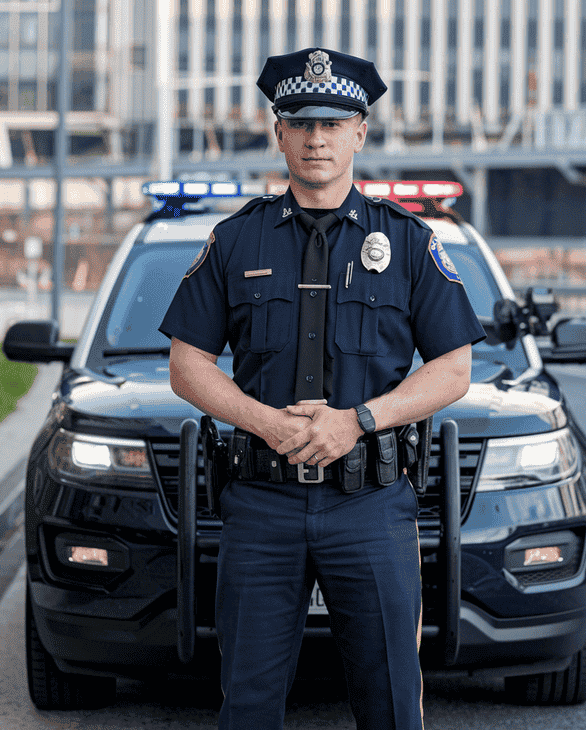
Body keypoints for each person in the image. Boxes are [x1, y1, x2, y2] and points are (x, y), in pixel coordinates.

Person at [159, 47, 485, 730]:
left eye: (333, 124)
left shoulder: (407, 241)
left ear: (359, 132)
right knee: (247, 705)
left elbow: (453, 370)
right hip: (261, 507)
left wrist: (358, 420)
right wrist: (268, 425)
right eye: (301, 122)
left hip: (370, 507)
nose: (316, 138)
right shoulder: (235, 240)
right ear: (278, 131)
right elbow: (187, 366)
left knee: (391, 703)